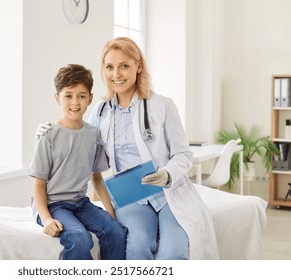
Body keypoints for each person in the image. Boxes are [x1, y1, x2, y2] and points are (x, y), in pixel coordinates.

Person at [36, 38, 219, 260]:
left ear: (138, 66)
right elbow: (79, 139)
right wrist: (47, 131)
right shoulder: (100, 112)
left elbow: (183, 154)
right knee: (136, 249)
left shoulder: (162, 106)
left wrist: (167, 173)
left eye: (124, 66)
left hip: (168, 194)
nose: (117, 74)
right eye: (110, 67)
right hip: (131, 198)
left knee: (171, 254)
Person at [28, 64, 127, 260]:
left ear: (90, 98)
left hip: (80, 203)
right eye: (68, 95)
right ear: (58, 98)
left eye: (81, 96)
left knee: (116, 232)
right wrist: (47, 219)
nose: (75, 102)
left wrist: (111, 214)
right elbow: (38, 185)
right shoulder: (48, 136)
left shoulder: (93, 134)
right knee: (80, 238)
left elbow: (97, 179)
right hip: (53, 204)